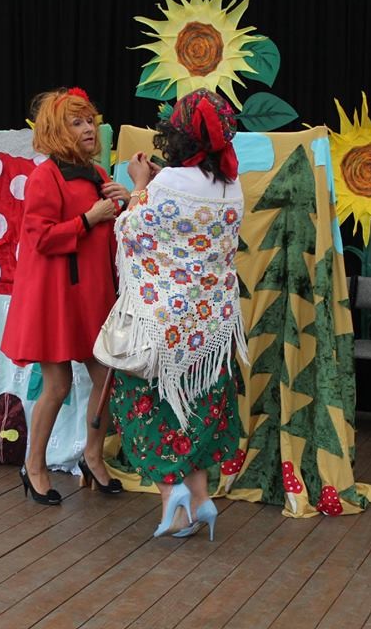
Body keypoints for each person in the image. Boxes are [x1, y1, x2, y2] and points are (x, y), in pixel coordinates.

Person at [108, 88, 247, 539]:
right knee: (196, 409)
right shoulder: (231, 186)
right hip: (210, 328)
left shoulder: (166, 184)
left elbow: (130, 231)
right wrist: (156, 184)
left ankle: (174, 497)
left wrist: (140, 185)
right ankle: (199, 501)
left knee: (147, 406)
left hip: (163, 326)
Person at [1, 87, 128, 505]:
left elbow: (114, 231)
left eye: (90, 120)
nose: (89, 128)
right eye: (77, 122)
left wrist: (126, 204)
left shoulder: (98, 174)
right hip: (58, 297)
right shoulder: (46, 176)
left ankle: (92, 456)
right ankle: (34, 466)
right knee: (57, 385)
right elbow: (39, 238)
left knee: (104, 381)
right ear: (57, 131)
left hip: (92, 294)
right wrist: (88, 219)